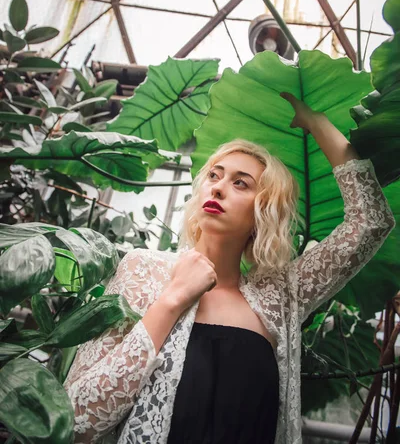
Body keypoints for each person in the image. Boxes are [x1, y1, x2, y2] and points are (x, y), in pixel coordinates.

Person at [64, 92, 396, 444]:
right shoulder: (143, 271)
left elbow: (369, 223)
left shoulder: (281, 296)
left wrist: (317, 122)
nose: (219, 188)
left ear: (264, 210)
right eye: (215, 176)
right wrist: (172, 300)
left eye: (241, 183)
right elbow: (77, 418)